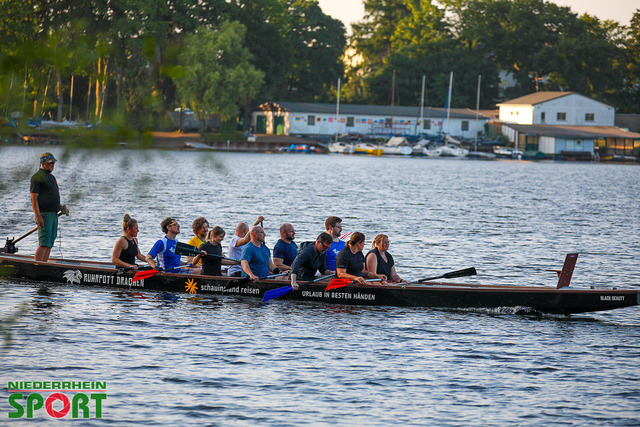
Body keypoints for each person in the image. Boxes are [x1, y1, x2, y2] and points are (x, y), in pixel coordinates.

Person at [30, 152, 68, 262]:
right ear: (43, 163)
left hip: (54, 214)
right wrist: (38, 216)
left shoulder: (51, 177)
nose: (52, 164)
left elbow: (51, 196)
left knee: (50, 243)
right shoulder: (37, 177)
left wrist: (60, 207)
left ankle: (44, 265)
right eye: (50, 162)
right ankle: (37, 266)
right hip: (44, 214)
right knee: (44, 243)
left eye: (53, 162)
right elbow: (33, 199)